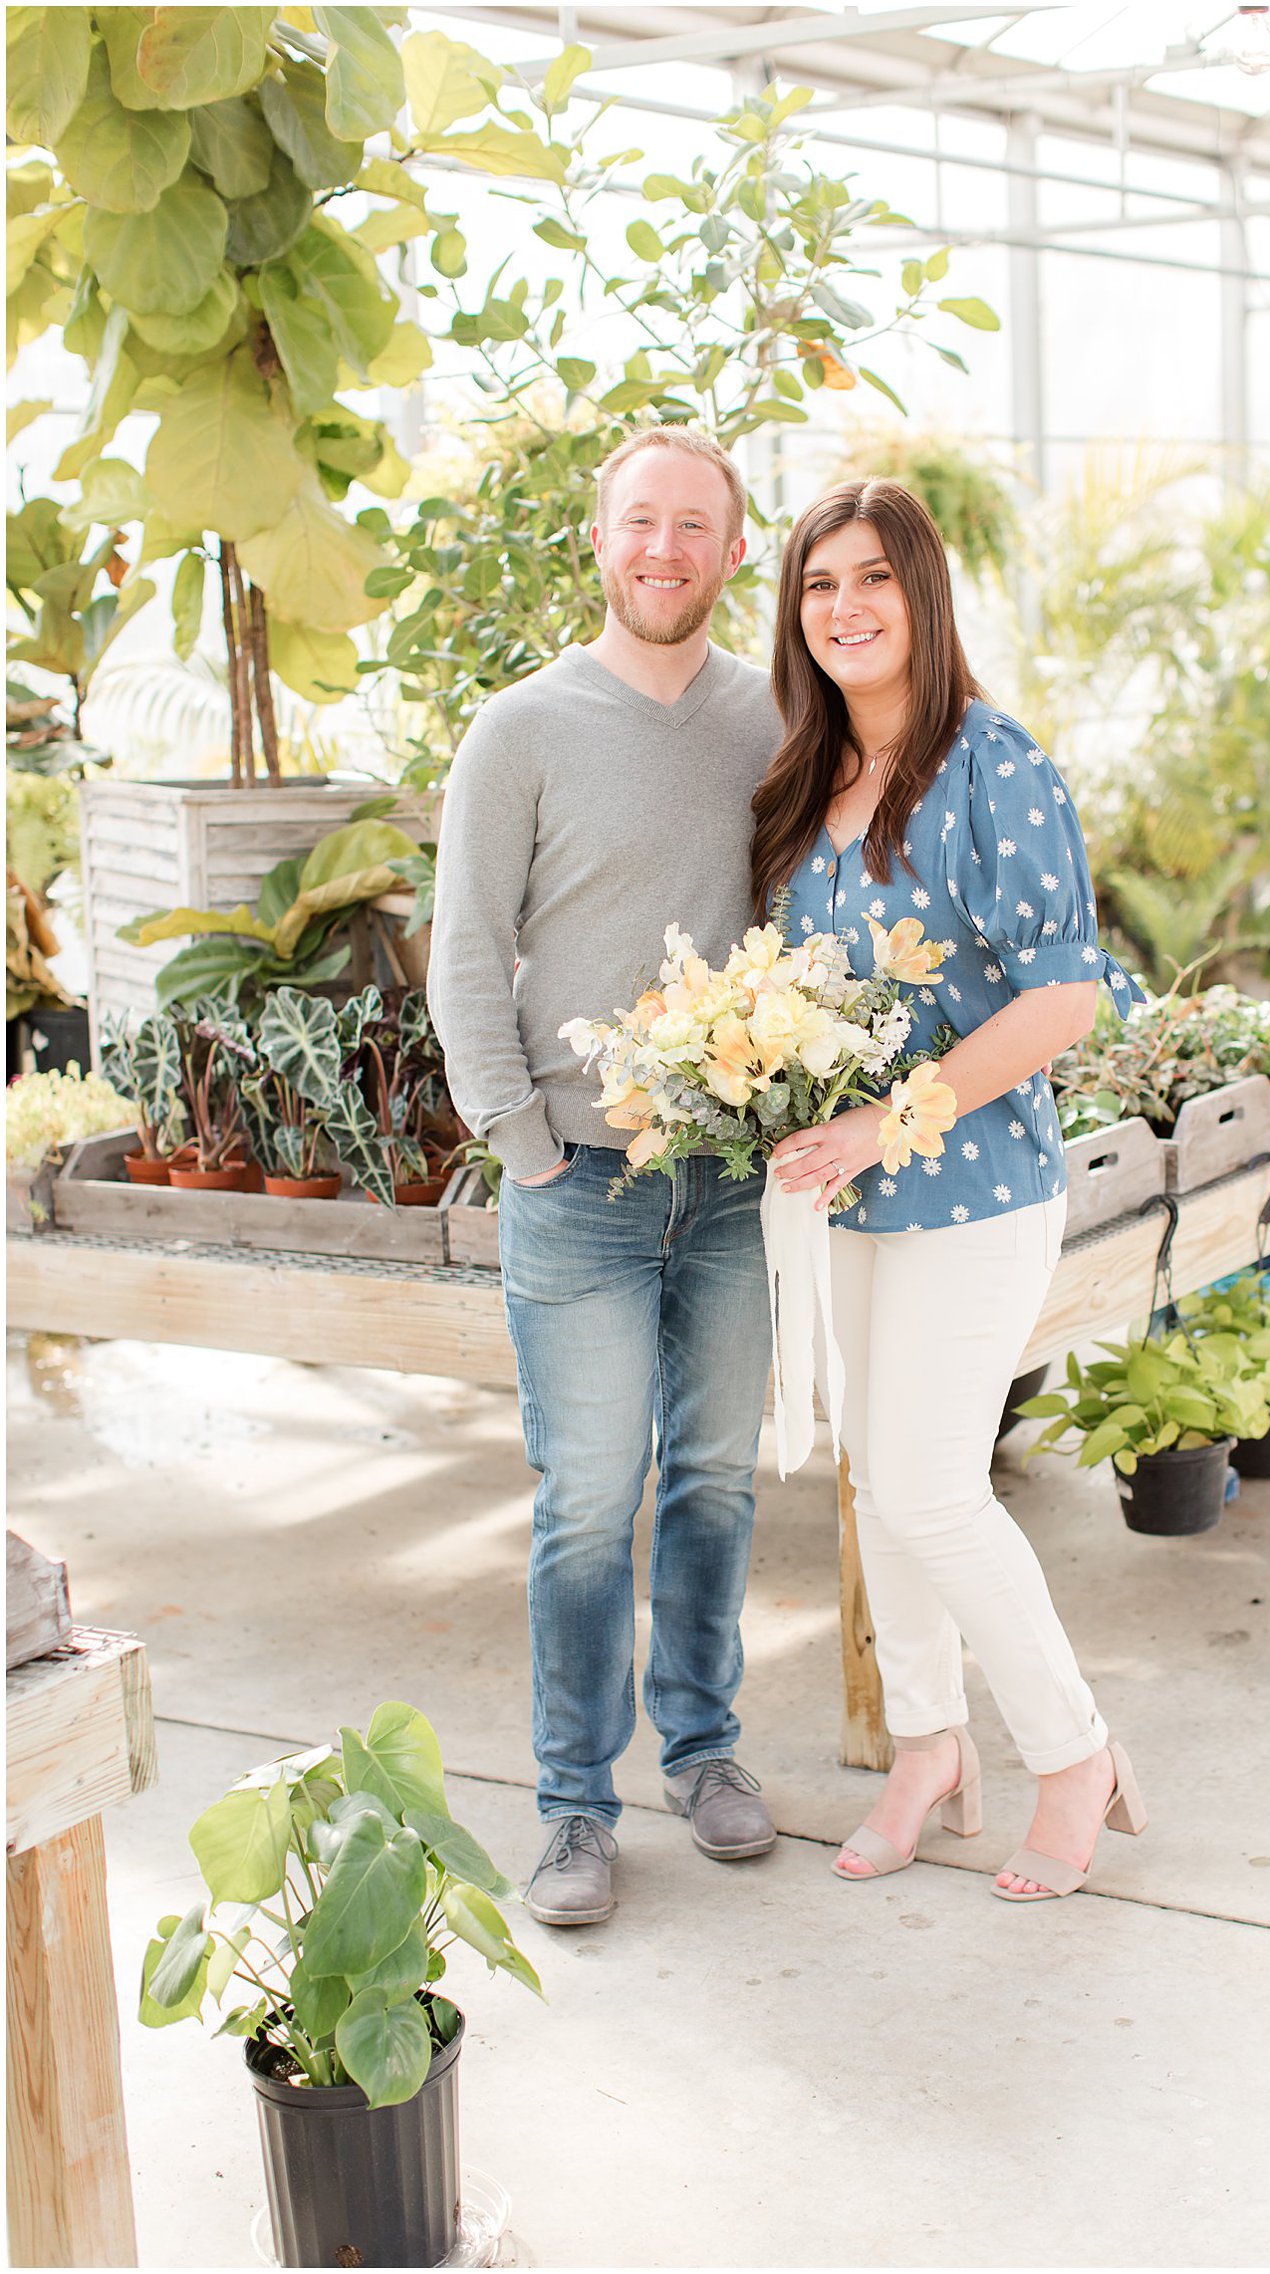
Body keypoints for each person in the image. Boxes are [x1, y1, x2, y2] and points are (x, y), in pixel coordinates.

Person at [755, 479, 1147, 1900]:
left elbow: (1063, 999)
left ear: (922, 594)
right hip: (846, 1197)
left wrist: (886, 1120)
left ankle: (1073, 1749)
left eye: (874, 578)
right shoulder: (805, 778)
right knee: (877, 1484)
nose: (846, 607)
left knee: (928, 1482)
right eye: (818, 584)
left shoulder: (996, 765)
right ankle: (928, 1746)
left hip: (975, 1187)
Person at [428, 428, 782, 1927]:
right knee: (586, 1503)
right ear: (600, 539)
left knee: (711, 1478)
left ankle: (703, 1751)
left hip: (734, 1193)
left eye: (694, 525)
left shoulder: (775, 721)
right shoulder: (520, 730)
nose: (664, 548)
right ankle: (575, 1806)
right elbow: (460, 958)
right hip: (577, 1184)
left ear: (732, 550)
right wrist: (525, 1142)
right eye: (642, 521)